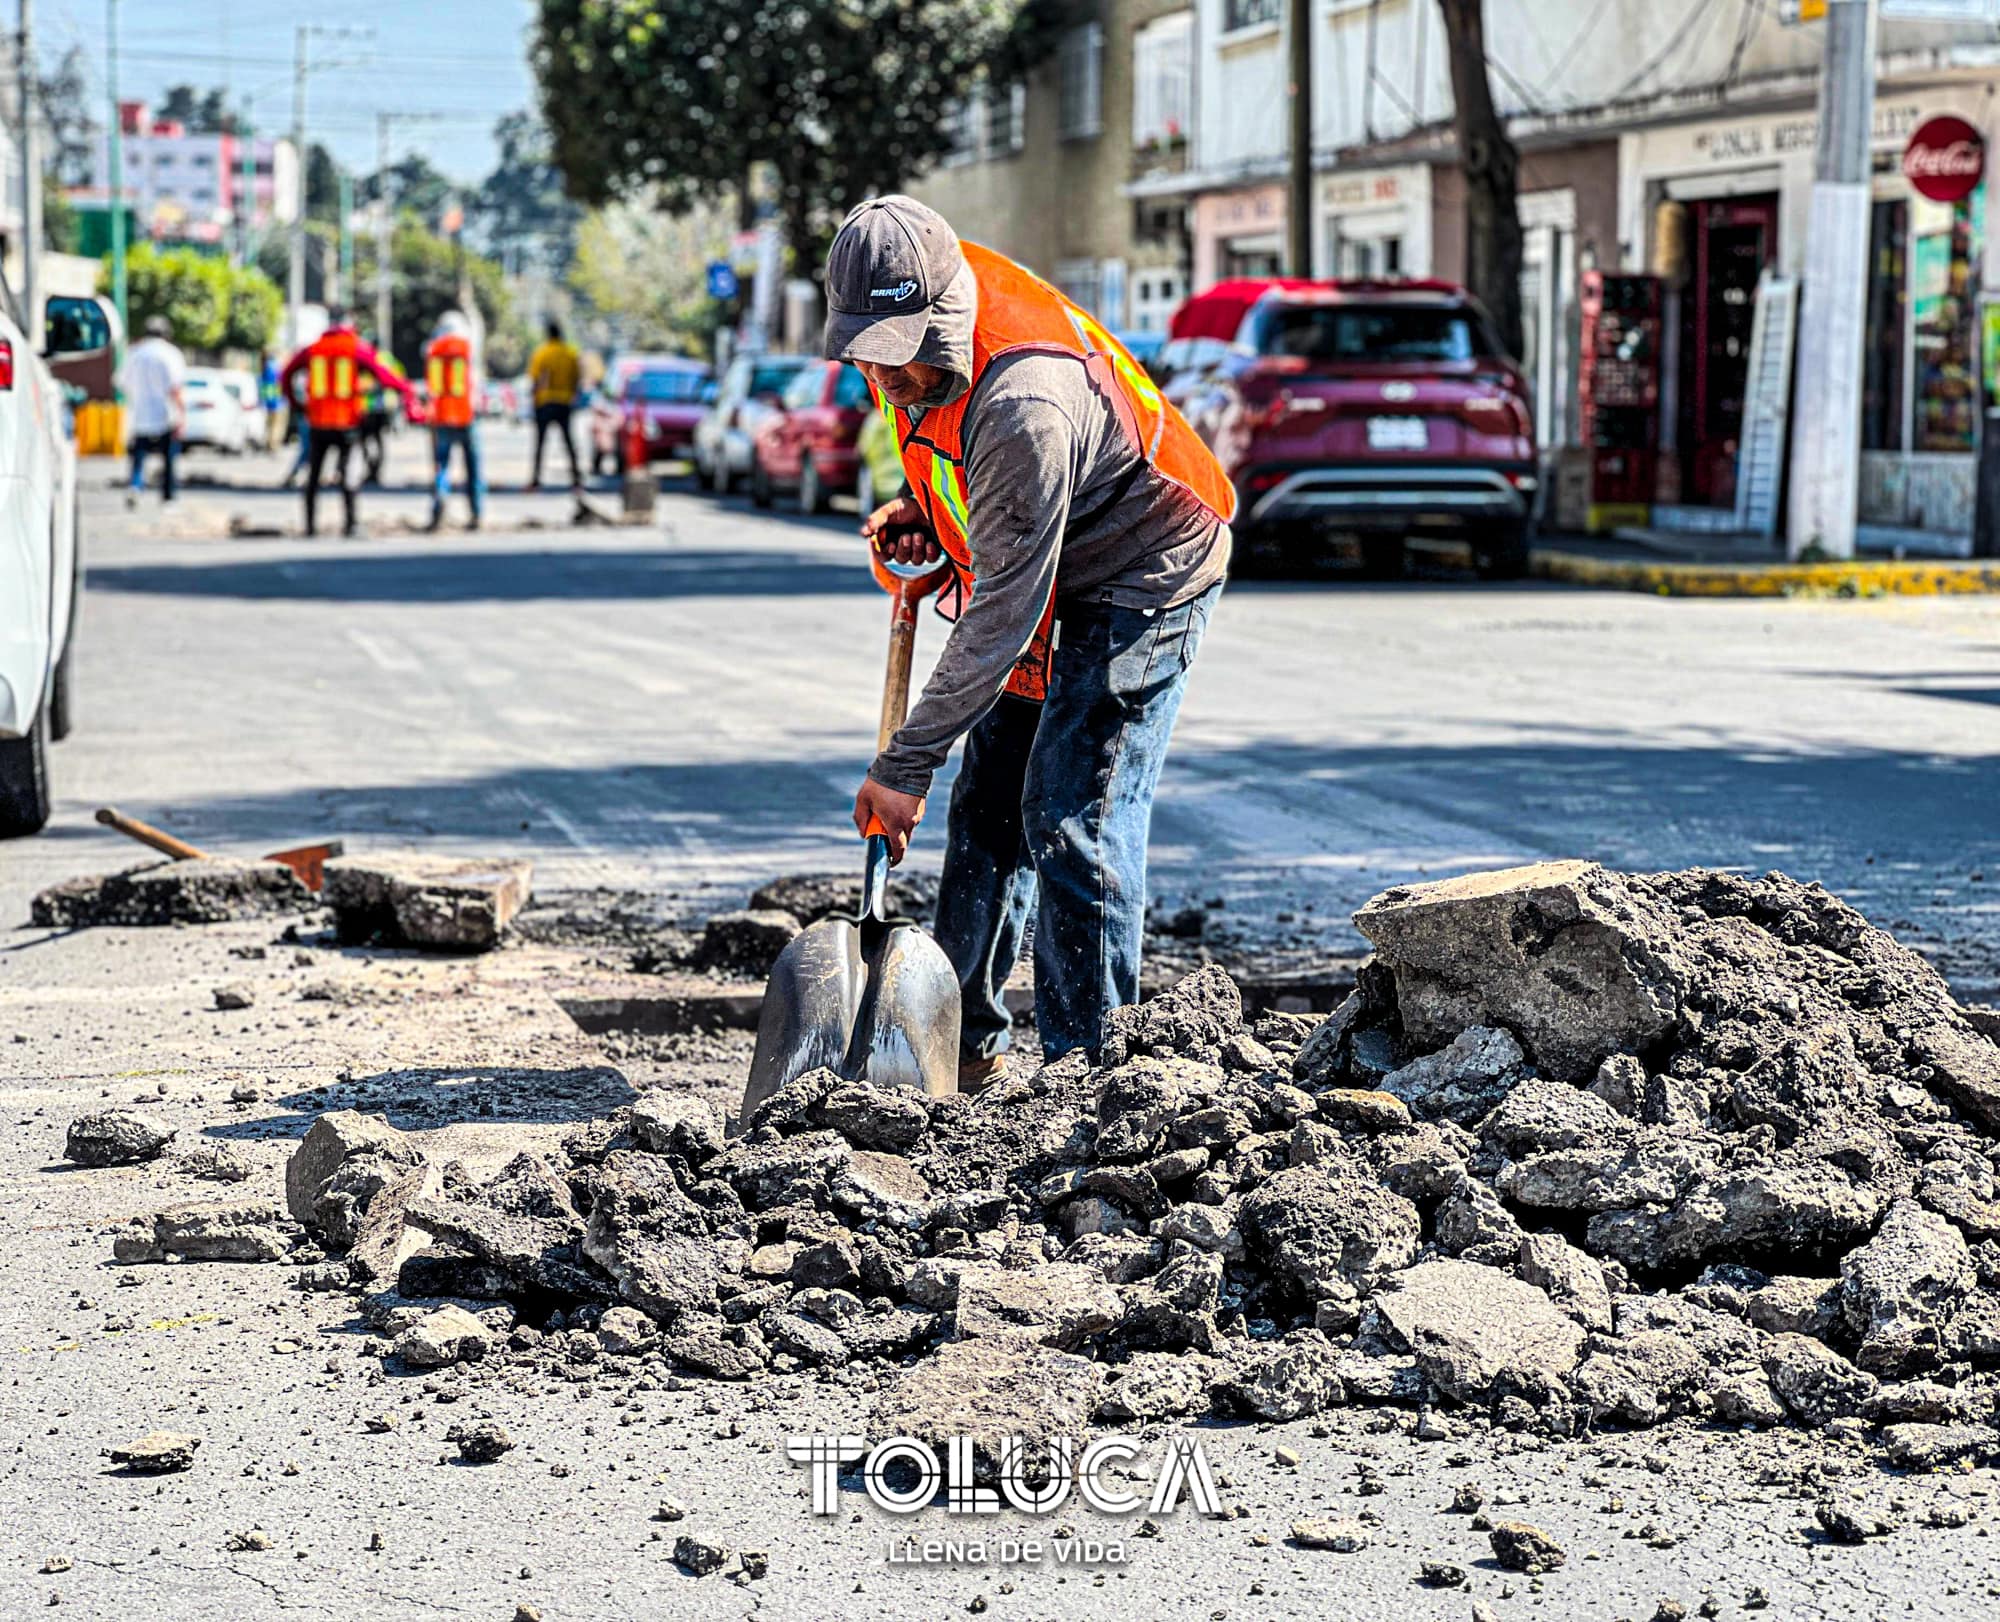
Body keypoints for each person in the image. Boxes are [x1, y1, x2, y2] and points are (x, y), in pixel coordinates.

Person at [824, 197, 1234, 1090]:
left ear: (944, 317)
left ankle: (1092, 1082)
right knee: (988, 807)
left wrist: (905, 764)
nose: (885, 378)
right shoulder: (920, 324)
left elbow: (1005, 609)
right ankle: (959, 1047)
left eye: (901, 356)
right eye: (867, 354)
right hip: (1049, 557)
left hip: (1142, 570)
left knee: (1069, 817)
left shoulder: (1021, 402)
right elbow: (958, 463)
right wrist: (927, 512)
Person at [278, 309, 414, 537]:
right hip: (347, 423)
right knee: (349, 473)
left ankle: (310, 526)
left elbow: (286, 375)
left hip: (318, 421)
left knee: (313, 474)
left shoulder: (314, 350)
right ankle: (351, 524)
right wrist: (407, 391)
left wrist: (298, 405)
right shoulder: (356, 348)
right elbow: (384, 375)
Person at [423, 310, 483, 531]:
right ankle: (476, 513)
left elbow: (432, 386)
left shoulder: (433, 350)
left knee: (442, 466)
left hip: (441, 418)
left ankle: (440, 500)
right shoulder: (468, 347)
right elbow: (475, 381)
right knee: (473, 468)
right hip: (467, 416)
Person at [120, 314, 185, 508]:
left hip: (139, 413)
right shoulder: (171, 353)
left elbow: (121, 382)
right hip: (165, 413)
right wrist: (182, 415)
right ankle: (168, 496)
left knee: (139, 455)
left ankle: (135, 486)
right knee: (169, 458)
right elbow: (176, 388)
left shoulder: (134, 353)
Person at [525, 317, 582, 490]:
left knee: (540, 442)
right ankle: (576, 478)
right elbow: (576, 378)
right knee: (569, 442)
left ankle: (536, 478)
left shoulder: (542, 353)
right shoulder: (570, 353)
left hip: (544, 402)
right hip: (564, 402)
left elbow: (535, 379)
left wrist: (533, 397)